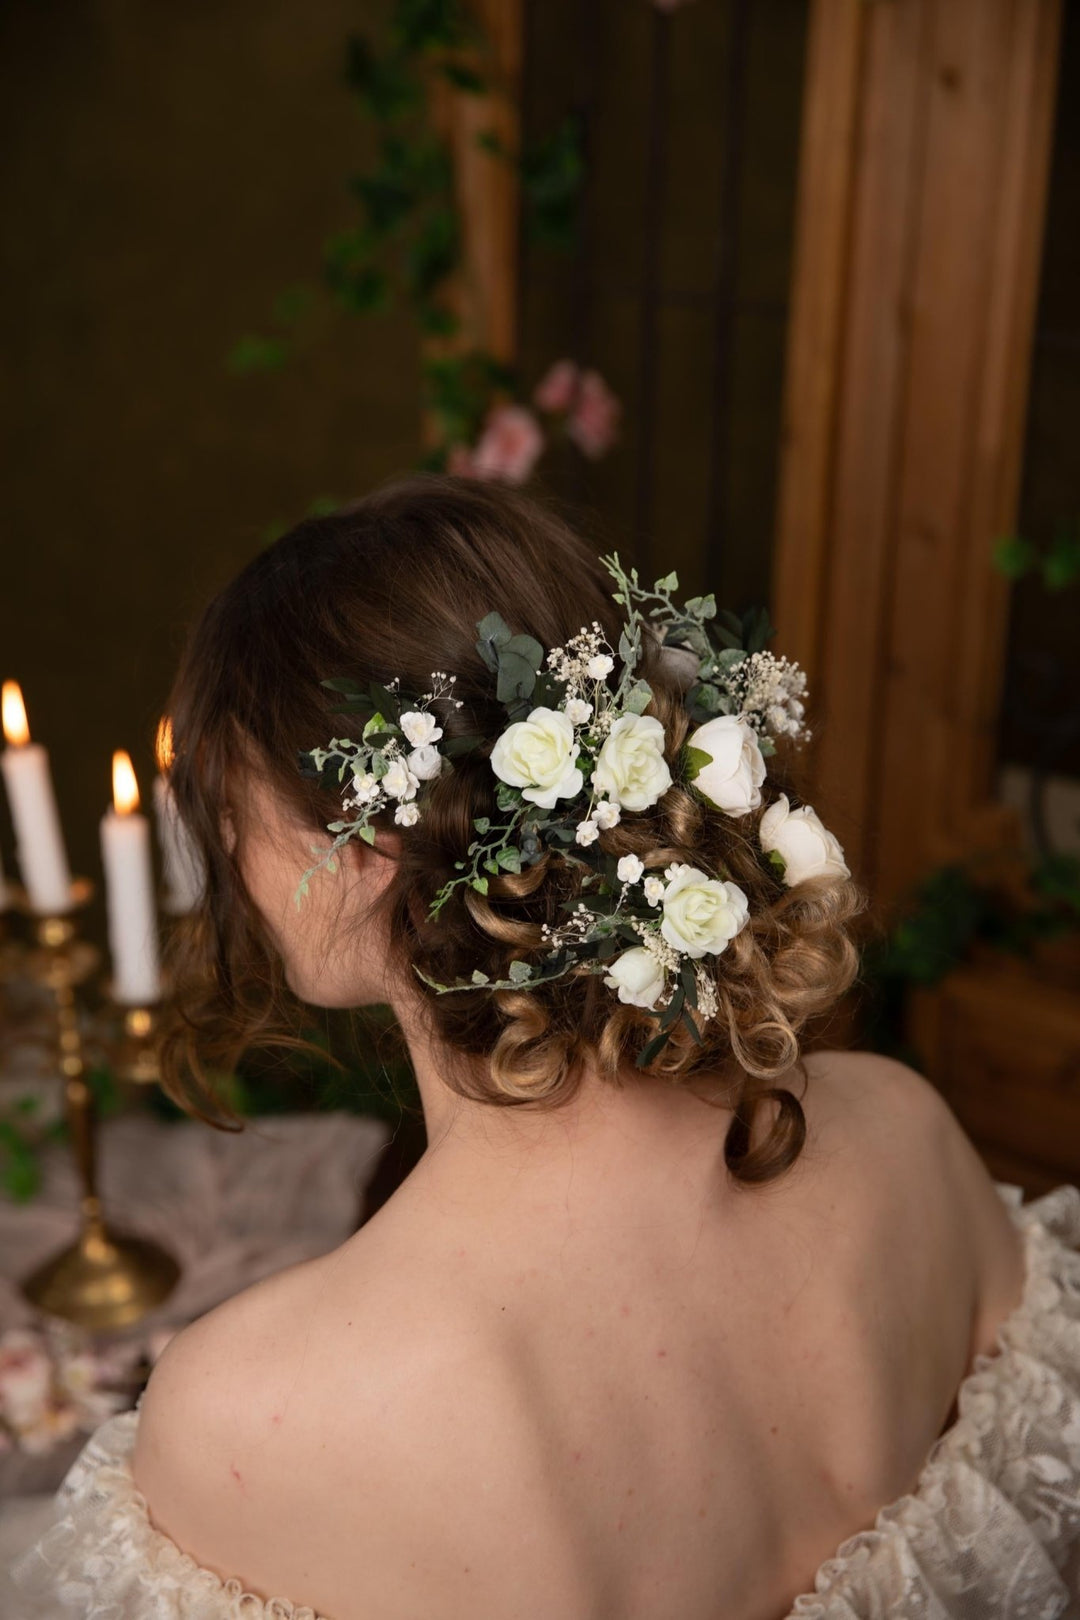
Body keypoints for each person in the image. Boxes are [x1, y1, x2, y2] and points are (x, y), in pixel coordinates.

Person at [11, 475, 1080, 1620]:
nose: (223, 843)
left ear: (376, 844)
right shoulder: (906, 1132)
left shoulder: (248, 1413)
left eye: (232, 801)